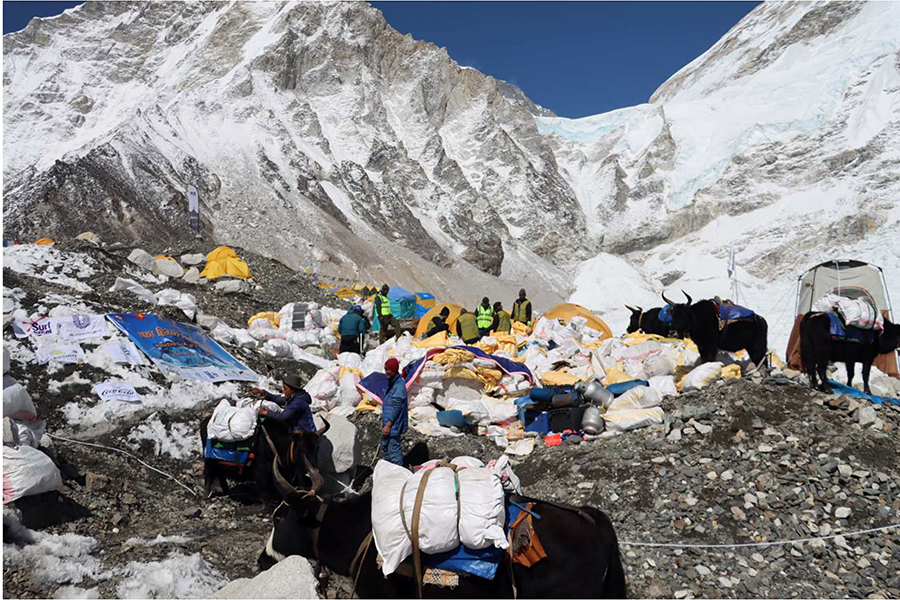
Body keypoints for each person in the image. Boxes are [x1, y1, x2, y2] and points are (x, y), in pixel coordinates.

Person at [250, 375, 315, 433]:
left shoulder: (298, 402)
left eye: (285, 388)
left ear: (293, 390)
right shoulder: (295, 397)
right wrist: (263, 393)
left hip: (305, 435)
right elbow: (279, 399)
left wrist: (265, 412)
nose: (283, 391)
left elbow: (282, 417)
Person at [380, 358, 408, 466]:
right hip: (388, 424)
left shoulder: (399, 386)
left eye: (388, 370)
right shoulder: (392, 383)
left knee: (394, 452)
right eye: (385, 369)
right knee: (385, 447)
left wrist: (388, 424)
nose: (386, 372)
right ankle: (390, 472)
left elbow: (397, 408)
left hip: (393, 426)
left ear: (394, 370)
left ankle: (398, 475)